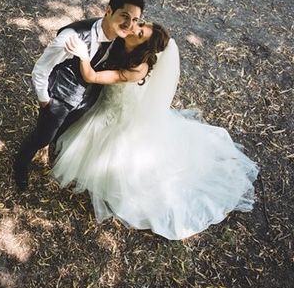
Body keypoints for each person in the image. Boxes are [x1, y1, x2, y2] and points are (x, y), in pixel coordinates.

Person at [53, 22, 258, 240]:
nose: (135, 27)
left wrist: (82, 55)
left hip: (117, 115)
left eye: (140, 33)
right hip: (105, 103)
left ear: (144, 47)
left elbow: (93, 77)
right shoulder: (124, 37)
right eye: (141, 24)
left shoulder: (138, 68)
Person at [13, 0, 146, 192]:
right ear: (109, 10)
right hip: (59, 98)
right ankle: (20, 164)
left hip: (85, 100)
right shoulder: (72, 38)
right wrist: (45, 101)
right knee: (42, 136)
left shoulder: (123, 38)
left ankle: (50, 146)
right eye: (124, 16)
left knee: (62, 131)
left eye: (135, 19)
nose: (129, 25)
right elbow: (40, 69)